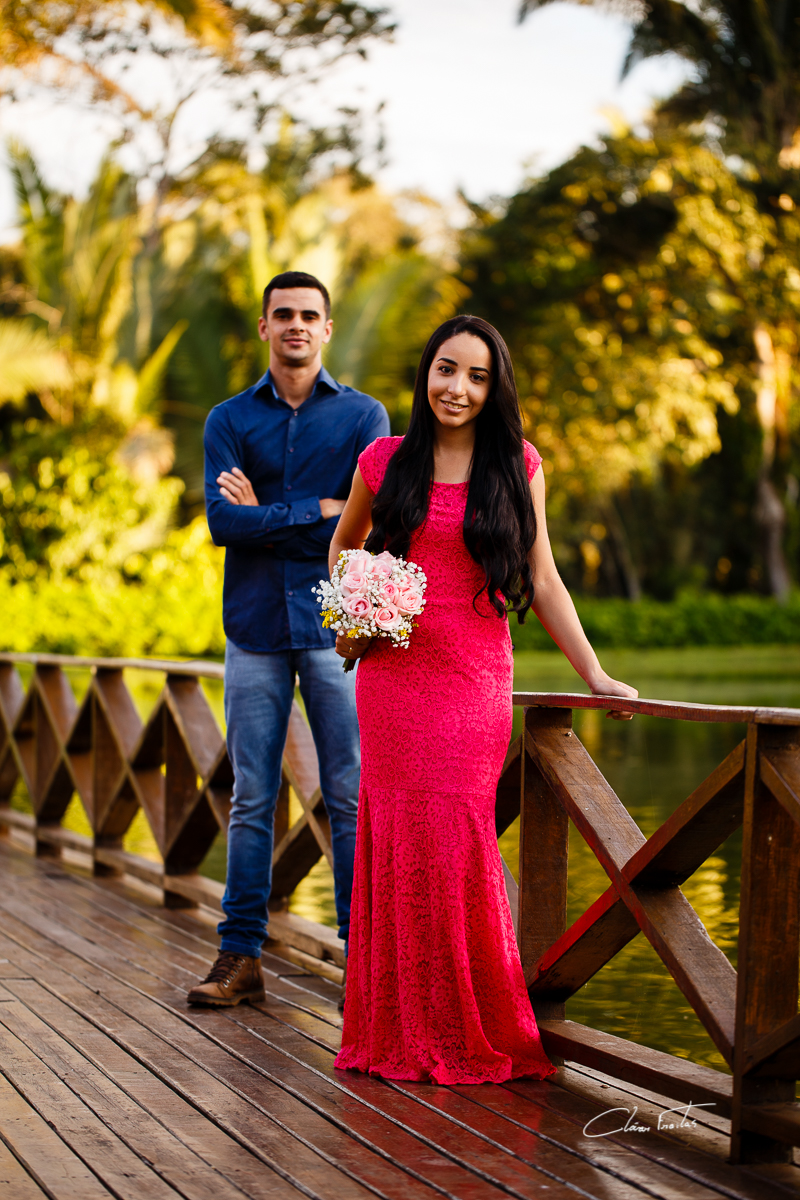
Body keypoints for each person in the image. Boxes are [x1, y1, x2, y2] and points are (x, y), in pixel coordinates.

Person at [329, 314, 638, 1082]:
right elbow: (343, 545)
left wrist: (593, 674)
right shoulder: (384, 459)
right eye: (445, 369)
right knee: (398, 838)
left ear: (494, 387)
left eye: (475, 375)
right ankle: (396, 1025)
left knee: (456, 836)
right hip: (392, 679)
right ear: (424, 374)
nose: (457, 388)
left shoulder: (518, 464)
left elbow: (541, 576)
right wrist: (361, 606)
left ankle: (469, 1019)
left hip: (472, 683)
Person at [188, 271, 390, 1008]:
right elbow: (222, 525)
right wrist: (321, 509)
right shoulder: (229, 419)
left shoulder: (367, 419)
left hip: (338, 630)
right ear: (264, 329)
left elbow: (368, 525)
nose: (296, 325)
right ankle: (239, 959)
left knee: (348, 794)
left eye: (310, 315)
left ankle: (362, 964)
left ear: (327, 329)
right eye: (284, 315)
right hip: (253, 629)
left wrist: (271, 512)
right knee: (251, 797)